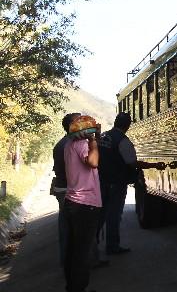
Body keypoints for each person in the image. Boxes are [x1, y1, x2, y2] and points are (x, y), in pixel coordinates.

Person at [97, 112, 165, 255]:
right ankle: (112, 246)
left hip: (102, 181)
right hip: (116, 183)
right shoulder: (123, 141)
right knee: (114, 215)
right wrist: (154, 165)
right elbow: (132, 163)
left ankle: (93, 246)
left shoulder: (103, 136)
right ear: (128, 125)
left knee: (101, 214)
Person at [63, 115, 102, 292]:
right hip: (84, 204)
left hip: (73, 202)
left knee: (74, 248)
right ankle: (78, 288)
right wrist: (93, 140)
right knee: (83, 251)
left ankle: (72, 286)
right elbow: (93, 162)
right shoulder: (82, 144)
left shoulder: (68, 145)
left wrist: (94, 140)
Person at [52, 112, 80, 267]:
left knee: (66, 226)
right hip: (71, 190)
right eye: (80, 120)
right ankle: (78, 263)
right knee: (78, 228)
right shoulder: (72, 145)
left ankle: (66, 260)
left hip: (63, 188)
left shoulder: (62, 143)